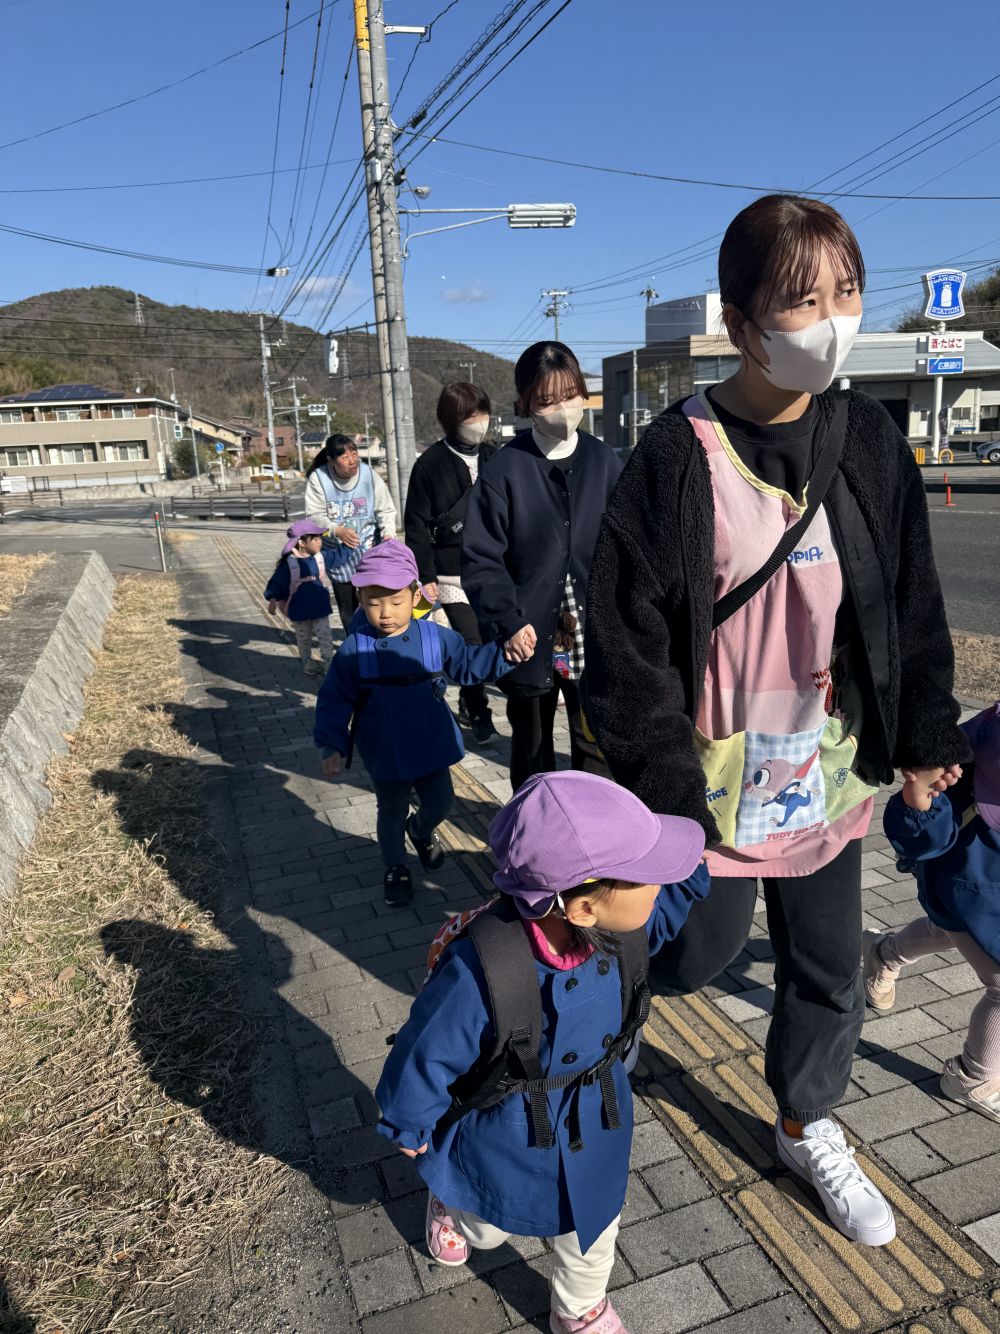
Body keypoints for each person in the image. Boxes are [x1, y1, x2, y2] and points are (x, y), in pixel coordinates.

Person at [584, 194, 972, 1247]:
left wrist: (925, 737)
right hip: (703, 784)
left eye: (845, 291)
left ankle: (806, 1118)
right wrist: (661, 795)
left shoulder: (871, 440)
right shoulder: (675, 456)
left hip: (826, 770)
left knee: (825, 964)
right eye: (802, 299)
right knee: (693, 957)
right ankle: (587, 1023)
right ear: (743, 320)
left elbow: (910, 596)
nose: (832, 319)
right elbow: (624, 639)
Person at [376, 771, 708, 1334]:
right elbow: (427, 1051)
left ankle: (579, 1309)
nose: (660, 884)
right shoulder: (486, 969)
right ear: (581, 908)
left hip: (598, 1118)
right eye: (647, 876)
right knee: (487, 1223)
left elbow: (671, 900)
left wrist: (701, 865)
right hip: (507, 1129)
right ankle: (449, 1201)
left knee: (595, 1228)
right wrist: (408, 1123)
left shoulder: (621, 929)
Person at [314, 540, 511, 907]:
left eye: (395, 601)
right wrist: (332, 744)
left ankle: (420, 831)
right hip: (384, 748)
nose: (385, 613)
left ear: (414, 595)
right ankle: (395, 867)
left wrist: (506, 654)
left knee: (441, 803)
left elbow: (469, 665)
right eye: (373, 603)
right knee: (390, 810)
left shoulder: (434, 637)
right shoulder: (355, 648)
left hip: (429, 743)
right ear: (360, 599)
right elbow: (334, 699)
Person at [462, 342, 621, 791]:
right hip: (528, 637)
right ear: (525, 404)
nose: (562, 409)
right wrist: (507, 621)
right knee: (533, 748)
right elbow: (480, 558)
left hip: (597, 631)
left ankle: (599, 843)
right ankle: (531, 841)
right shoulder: (505, 471)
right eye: (546, 400)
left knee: (598, 745)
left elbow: (631, 547)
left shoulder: (604, 461)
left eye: (570, 395)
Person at [865, 702, 999, 1122]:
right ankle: (972, 1078)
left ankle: (884, 954)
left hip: (984, 891)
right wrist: (917, 800)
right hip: (964, 886)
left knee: (945, 935)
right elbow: (921, 835)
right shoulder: (969, 750)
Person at [405, 381, 499, 746]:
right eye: (469, 416)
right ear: (450, 419)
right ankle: (480, 712)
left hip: (495, 568)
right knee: (472, 642)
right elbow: (416, 524)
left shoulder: (495, 456)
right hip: (451, 574)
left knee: (491, 637)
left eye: (482, 413)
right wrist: (425, 576)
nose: (479, 422)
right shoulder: (429, 465)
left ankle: (467, 697)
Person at [304, 433, 397, 631]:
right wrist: (336, 530)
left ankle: (376, 640)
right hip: (338, 553)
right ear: (331, 460)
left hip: (368, 548)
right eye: (345, 457)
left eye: (354, 453)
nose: (352, 461)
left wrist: (389, 534)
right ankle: (353, 642)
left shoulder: (368, 475)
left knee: (373, 600)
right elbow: (313, 515)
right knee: (347, 606)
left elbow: (385, 509)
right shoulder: (319, 479)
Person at [264, 518, 334, 676]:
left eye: (320, 538)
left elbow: (338, 557)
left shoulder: (320, 558)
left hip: (319, 605)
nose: (319, 542)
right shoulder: (289, 563)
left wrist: (350, 547)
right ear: (301, 542)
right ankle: (307, 662)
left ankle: (329, 663)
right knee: (303, 638)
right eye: (315, 539)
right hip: (299, 608)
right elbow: (277, 582)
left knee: (325, 636)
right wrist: (272, 598)